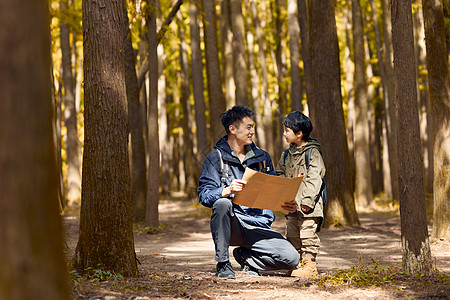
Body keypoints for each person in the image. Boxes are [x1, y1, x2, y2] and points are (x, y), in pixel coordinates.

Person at [197, 105, 299, 279]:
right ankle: (223, 263)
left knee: (291, 258)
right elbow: (204, 195)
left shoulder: (263, 158)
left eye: (253, 127)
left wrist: (286, 204)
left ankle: (246, 258)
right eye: (248, 127)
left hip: (259, 224)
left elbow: (273, 192)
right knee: (222, 203)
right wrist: (227, 190)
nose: (252, 132)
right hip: (233, 225)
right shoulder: (216, 158)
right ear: (233, 129)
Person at [276, 111, 326, 277]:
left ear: (299, 133)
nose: (284, 134)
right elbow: (280, 173)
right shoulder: (286, 154)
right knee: (292, 234)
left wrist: (307, 201)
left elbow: (315, 178)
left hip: (308, 206)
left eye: (287, 131)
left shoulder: (312, 153)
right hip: (291, 203)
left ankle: (310, 264)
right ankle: (296, 262)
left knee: (307, 234)